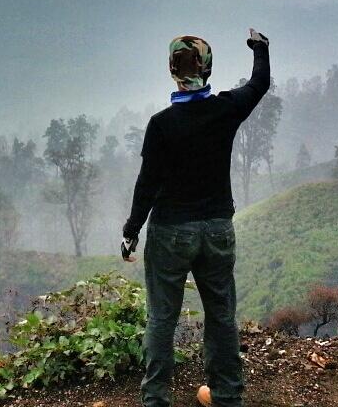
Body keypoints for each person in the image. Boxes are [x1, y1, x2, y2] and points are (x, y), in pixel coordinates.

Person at [121, 29, 270, 407]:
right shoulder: (226, 108)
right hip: (218, 229)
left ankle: (156, 399)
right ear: (207, 69)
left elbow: (147, 183)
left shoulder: (162, 124)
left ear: (172, 70)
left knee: (161, 319)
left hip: (171, 232)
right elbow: (259, 84)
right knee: (221, 314)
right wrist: (260, 48)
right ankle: (226, 397)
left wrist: (131, 230)